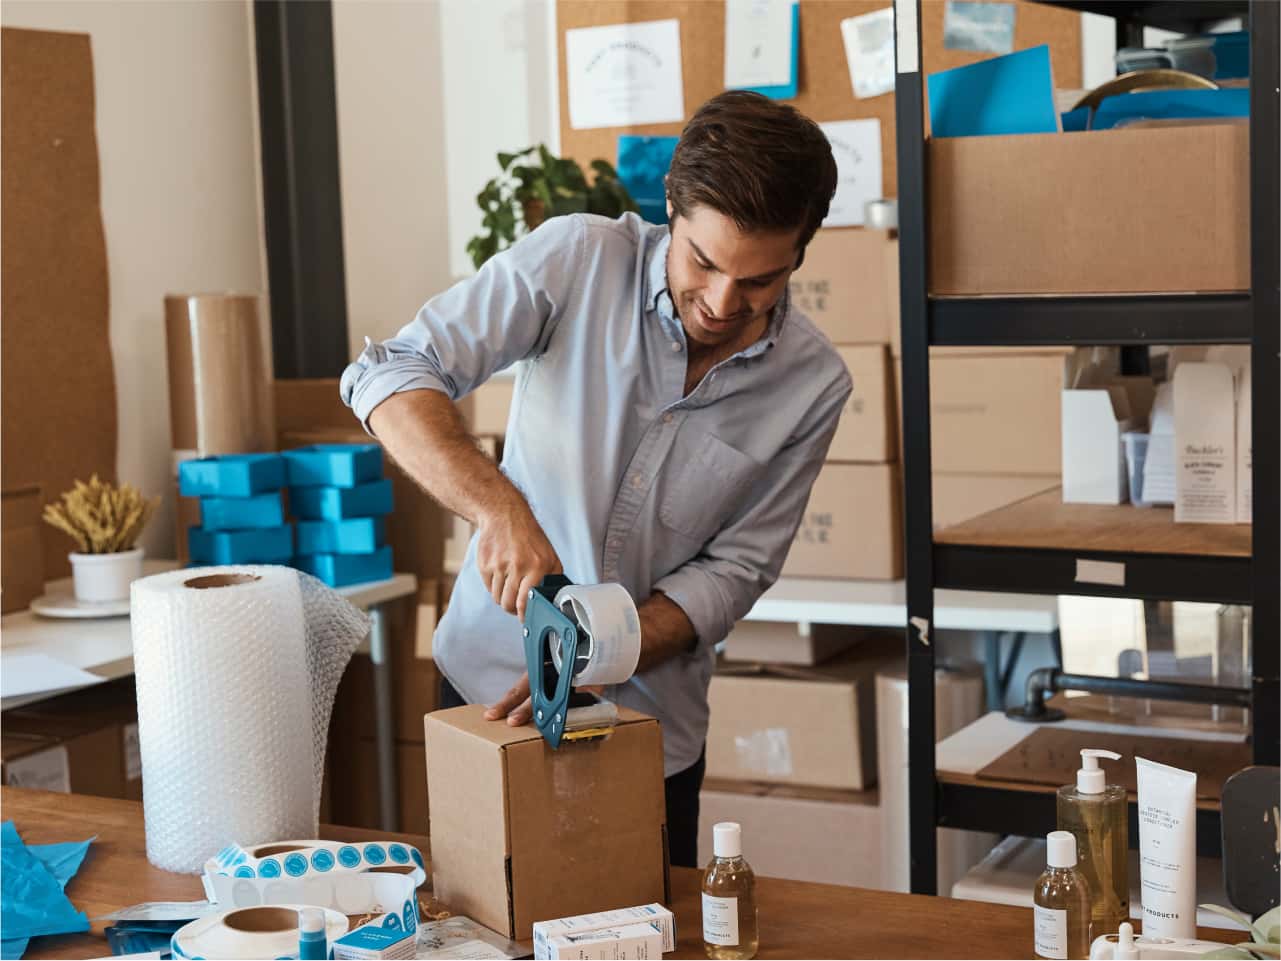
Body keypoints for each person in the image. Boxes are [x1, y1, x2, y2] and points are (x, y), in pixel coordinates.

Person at [341, 90, 850, 867]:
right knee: (483, 933)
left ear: (799, 254)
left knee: (646, 936)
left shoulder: (812, 384)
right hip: (487, 694)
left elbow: (738, 568)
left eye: (757, 282)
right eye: (702, 263)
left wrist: (598, 650)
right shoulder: (579, 257)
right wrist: (497, 509)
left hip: (646, 731)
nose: (720, 302)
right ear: (669, 213)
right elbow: (390, 373)